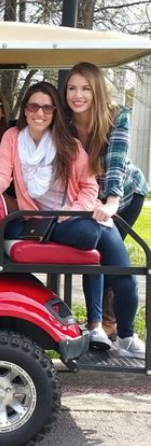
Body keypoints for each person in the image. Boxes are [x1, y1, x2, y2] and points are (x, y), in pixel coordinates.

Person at [0, 81, 145, 359]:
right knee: (86, 236)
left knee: (123, 277)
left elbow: (88, 188)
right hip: (43, 220)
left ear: (54, 112)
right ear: (25, 110)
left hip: (78, 214)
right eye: (34, 106)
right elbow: (2, 179)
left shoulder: (67, 143)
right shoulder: (13, 138)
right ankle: (97, 324)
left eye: (46, 107)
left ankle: (126, 336)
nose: (40, 113)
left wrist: (71, 212)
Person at [63, 62, 150, 343]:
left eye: (86, 88)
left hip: (125, 194)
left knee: (112, 259)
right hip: (89, 197)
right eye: (73, 88)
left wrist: (111, 203)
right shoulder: (64, 122)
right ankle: (97, 326)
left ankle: (113, 327)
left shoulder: (116, 115)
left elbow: (116, 161)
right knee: (96, 258)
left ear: (97, 90)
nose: (78, 95)